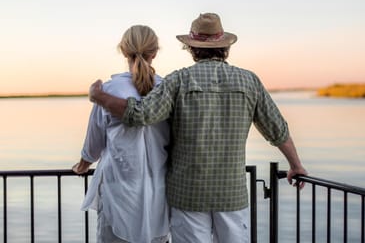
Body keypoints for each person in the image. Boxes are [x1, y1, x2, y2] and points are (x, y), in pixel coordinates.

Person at [88, 13, 307, 243]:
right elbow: (277, 129)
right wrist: (296, 165)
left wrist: (99, 96)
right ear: (226, 48)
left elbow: (140, 115)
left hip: (187, 195)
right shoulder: (249, 81)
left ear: (191, 49)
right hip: (231, 194)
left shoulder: (178, 81)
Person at [72, 25, 170, 243]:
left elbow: (93, 144)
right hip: (158, 190)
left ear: (124, 51)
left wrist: (82, 166)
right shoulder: (167, 89)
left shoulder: (109, 90)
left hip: (118, 189)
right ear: (154, 53)